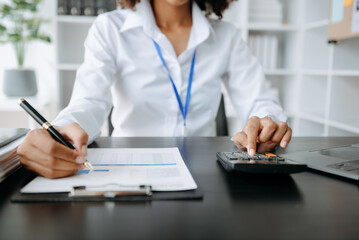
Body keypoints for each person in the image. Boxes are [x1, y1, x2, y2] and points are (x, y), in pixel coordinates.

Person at [17, 0, 292, 179]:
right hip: (127, 171)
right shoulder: (111, 28)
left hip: (205, 176)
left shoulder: (226, 36)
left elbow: (259, 99)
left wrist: (265, 124)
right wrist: (63, 130)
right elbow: (89, 100)